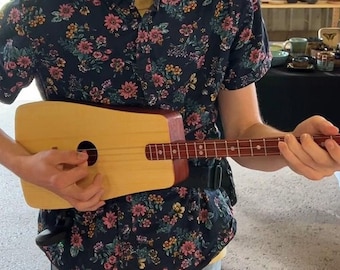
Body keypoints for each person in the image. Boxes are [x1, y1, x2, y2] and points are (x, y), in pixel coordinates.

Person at [0, 0, 339, 269]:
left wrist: (292, 149)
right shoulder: (34, 11)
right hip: (83, 241)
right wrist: (22, 164)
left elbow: (244, 131)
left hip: (195, 234)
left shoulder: (231, 6)